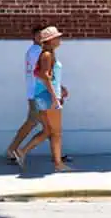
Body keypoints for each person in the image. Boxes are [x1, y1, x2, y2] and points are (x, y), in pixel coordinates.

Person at [14, 26, 71, 173]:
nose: (59, 39)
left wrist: (60, 87)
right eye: (57, 37)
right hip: (48, 96)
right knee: (56, 132)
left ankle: (22, 151)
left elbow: (42, 74)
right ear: (50, 41)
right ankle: (58, 164)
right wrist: (54, 97)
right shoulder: (46, 55)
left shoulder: (47, 54)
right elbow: (45, 76)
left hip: (44, 95)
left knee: (47, 131)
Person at [6, 25, 43, 164]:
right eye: (39, 35)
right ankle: (13, 149)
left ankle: (57, 153)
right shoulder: (38, 51)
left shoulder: (32, 51)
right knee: (34, 122)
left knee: (48, 124)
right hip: (38, 92)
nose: (42, 38)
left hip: (35, 92)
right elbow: (42, 73)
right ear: (33, 37)